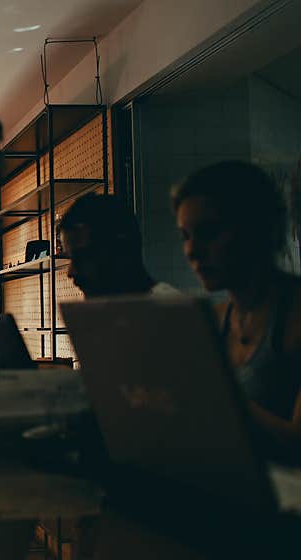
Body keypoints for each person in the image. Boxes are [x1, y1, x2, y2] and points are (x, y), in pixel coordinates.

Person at [173, 160, 301, 461]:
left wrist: (215, 394)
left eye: (209, 232)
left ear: (257, 229)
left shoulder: (295, 316)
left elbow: (298, 443)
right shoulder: (214, 321)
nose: (192, 250)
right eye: (186, 236)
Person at [59, 193, 178, 297]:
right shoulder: (108, 316)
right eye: (70, 258)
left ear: (120, 251)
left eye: (82, 257)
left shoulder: (173, 314)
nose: (70, 272)